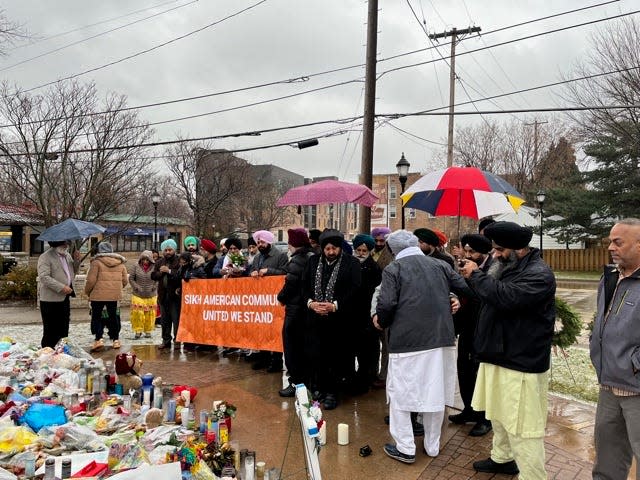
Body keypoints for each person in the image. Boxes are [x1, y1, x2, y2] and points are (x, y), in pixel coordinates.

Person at [459, 221, 556, 478]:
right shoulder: (506, 265)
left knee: (522, 427)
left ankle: (533, 476)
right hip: (498, 354)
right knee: (499, 416)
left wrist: (476, 275)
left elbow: (506, 297)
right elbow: (488, 296)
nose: (495, 254)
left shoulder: (538, 274)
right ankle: (502, 458)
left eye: (500, 249)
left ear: (519, 249)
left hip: (521, 361)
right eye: (494, 249)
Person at [374, 230, 470, 464]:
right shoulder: (441, 265)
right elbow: (465, 288)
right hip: (442, 340)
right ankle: (432, 444)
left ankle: (406, 447)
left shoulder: (393, 269)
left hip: (407, 342)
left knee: (401, 395)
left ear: (393, 250)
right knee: (434, 393)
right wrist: (454, 297)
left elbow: (386, 303)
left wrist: (380, 319)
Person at [590, 218, 640, 480]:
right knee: (607, 456)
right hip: (609, 384)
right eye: (610, 241)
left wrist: (634, 363)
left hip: (636, 386)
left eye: (618, 242)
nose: (610, 247)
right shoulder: (610, 277)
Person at [302, 229, 362, 410]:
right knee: (317, 356)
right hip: (315, 319)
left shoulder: (351, 263)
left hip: (339, 321)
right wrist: (311, 303)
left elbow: (356, 289)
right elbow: (304, 286)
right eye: (327, 249)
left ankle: (332, 393)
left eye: (334, 248)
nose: (330, 252)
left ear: (340, 248)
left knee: (336, 358)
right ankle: (318, 388)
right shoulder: (312, 262)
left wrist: (335, 305)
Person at [449, 233, 493, 436]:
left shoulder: (492, 270)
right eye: (466, 251)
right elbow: (460, 292)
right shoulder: (463, 269)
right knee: (464, 370)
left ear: (483, 253)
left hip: (484, 330)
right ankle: (468, 408)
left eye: (472, 252)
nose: (468, 255)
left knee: (480, 374)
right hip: (466, 327)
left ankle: (484, 417)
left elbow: (484, 296)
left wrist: (472, 279)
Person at [277, 228, 314, 397]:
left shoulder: (297, 261)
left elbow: (290, 285)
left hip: (295, 310)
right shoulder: (313, 257)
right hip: (307, 310)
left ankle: (296, 383)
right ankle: (307, 382)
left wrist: (281, 297)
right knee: (305, 348)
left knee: (292, 349)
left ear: (293, 243)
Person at [249, 230, 288, 371]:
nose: (260, 244)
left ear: (269, 242)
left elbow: (285, 273)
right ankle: (263, 357)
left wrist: (269, 270)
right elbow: (252, 271)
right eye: (258, 242)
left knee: (275, 329)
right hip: (260, 300)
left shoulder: (281, 256)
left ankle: (276, 360)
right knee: (261, 329)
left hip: (275, 300)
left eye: (262, 242)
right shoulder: (257, 257)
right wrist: (252, 273)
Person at [351, 233, 382, 393]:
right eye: (359, 250)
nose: (361, 253)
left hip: (366, 315)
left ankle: (365, 380)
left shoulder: (373, 267)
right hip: (351, 314)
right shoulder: (350, 264)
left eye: (364, 250)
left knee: (367, 352)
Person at [84, 242, 128, 351]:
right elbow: (125, 280)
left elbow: (91, 280)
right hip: (113, 295)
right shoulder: (120, 263)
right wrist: (116, 288)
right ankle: (115, 340)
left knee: (97, 316)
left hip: (98, 295)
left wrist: (87, 292)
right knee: (113, 316)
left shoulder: (96, 262)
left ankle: (99, 339)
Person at [37, 240, 80, 348]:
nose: (66, 246)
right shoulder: (45, 257)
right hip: (50, 299)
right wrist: (62, 287)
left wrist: (76, 260)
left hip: (64, 298)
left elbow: (73, 271)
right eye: (64, 244)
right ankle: (48, 351)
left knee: (64, 326)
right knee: (50, 329)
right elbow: (44, 277)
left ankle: (62, 350)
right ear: (56, 244)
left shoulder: (67, 256)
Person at [151, 239, 182, 350]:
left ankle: (177, 341)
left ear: (174, 250)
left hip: (175, 295)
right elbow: (153, 275)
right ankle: (166, 340)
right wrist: (161, 272)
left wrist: (168, 271)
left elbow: (180, 275)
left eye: (170, 250)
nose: (168, 252)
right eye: (165, 250)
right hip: (163, 295)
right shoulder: (159, 262)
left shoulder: (179, 261)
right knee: (165, 320)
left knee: (176, 319)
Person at [128, 250, 158, 339]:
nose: (145, 261)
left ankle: (148, 330)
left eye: (147, 260)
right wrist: (136, 287)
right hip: (138, 294)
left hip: (151, 294)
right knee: (138, 312)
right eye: (143, 259)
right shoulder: (135, 266)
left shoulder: (155, 266)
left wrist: (154, 286)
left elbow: (158, 278)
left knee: (150, 313)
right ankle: (138, 330)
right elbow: (131, 278)